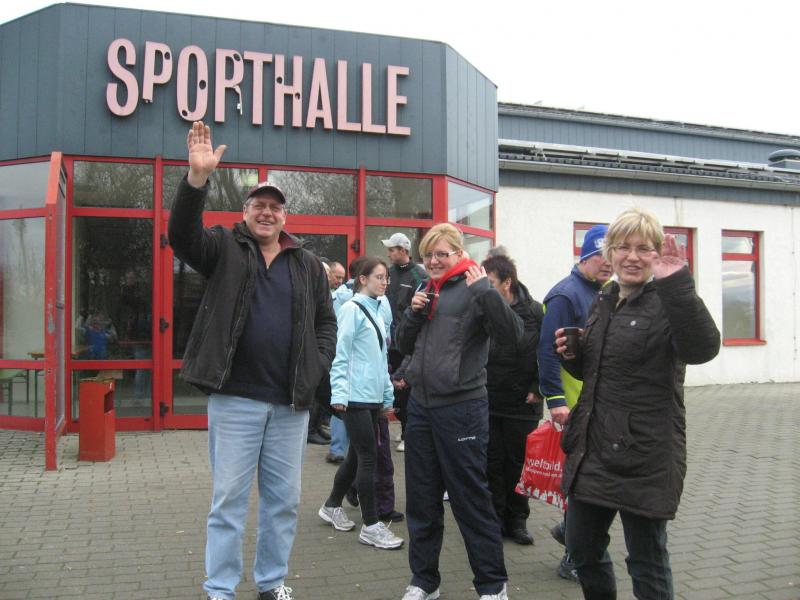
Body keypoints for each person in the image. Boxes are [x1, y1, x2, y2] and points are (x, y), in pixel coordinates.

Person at [168, 121, 337, 600]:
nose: (267, 212)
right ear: (245, 213)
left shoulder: (307, 264)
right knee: (228, 503)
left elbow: (326, 323)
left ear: (285, 216)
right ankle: (220, 589)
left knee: (283, 503)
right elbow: (181, 236)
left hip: (289, 404)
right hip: (235, 401)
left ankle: (271, 583)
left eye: (275, 207)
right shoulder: (224, 247)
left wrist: (316, 365)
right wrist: (197, 179)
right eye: (258, 205)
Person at [556, 207, 720, 600]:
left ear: (657, 255)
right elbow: (600, 372)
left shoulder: (669, 301)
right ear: (609, 253)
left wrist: (677, 285)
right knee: (581, 547)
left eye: (643, 248)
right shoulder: (605, 298)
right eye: (623, 247)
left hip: (645, 453)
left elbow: (703, 348)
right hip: (594, 449)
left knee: (646, 561)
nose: (632, 257)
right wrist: (574, 355)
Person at [395, 223, 524, 600]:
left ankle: (492, 585)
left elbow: (514, 335)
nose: (434, 261)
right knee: (421, 500)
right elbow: (402, 344)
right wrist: (413, 314)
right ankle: (424, 581)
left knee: (470, 501)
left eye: (442, 254)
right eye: (428, 255)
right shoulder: (425, 287)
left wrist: (485, 292)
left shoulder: (476, 285)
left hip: (462, 409)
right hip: (421, 408)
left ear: (459, 252)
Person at [537, 223, 612, 582]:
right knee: (580, 481)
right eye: (602, 256)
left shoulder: (604, 292)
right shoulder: (565, 295)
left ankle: (569, 532)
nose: (609, 263)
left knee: (590, 479)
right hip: (572, 405)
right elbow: (547, 351)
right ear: (586, 256)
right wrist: (554, 400)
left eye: (612, 256)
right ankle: (572, 557)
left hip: (597, 403)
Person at [318, 256, 404, 549]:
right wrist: (339, 395)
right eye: (379, 277)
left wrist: (387, 396)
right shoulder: (351, 310)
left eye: (386, 277)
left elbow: (380, 359)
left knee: (357, 456)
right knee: (368, 457)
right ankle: (371, 525)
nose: (385, 282)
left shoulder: (377, 310)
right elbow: (340, 355)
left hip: (371, 397)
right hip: (354, 397)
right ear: (362, 279)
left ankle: (331, 505)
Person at [481, 247, 543, 546]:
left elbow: (547, 352)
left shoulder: (535, 311)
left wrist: (538, 386)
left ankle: (517, 520)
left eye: (490, 283)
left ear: (507, 283)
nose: (485, 289)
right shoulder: (483, 309)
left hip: (523, 402)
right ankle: (494, 517)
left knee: (518, 463)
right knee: (492, 462)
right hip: (488, 398)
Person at [382, 231, 427, 451]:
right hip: (388, 342)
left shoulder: (419, 275)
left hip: (407, 343)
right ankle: (401, 427)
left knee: (405, 388)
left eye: (392, 249)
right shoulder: (388, 273)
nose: (389, 253)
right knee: (393, 388)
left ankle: (408, 433)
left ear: (403, 250)